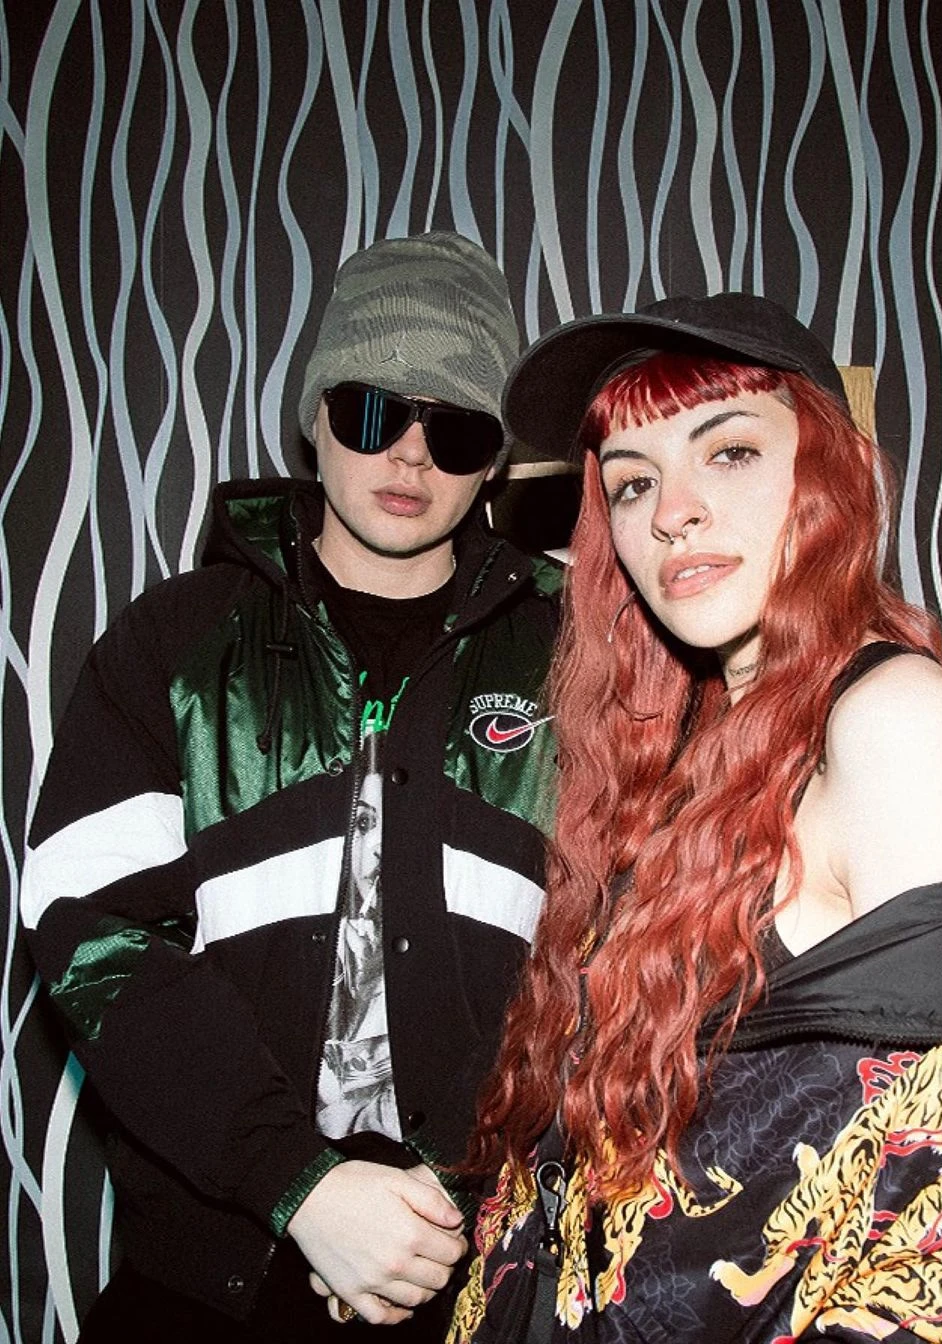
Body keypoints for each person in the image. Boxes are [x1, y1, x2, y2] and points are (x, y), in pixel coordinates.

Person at [448, 293, 942, 1343]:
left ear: (833, 474)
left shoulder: (888, 724)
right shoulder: (675, 752)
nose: (673, 512)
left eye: (730, 452)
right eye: (634, 482)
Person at [20, 232, 561, 1341]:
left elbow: (626, 943)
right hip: (210, 1274)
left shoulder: (579, 656)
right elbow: (90, 930)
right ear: (313, 416)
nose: (409, 455)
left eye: (456, 430)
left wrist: (446, 1194)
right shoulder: (174, 642)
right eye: (373, 411)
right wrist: (300, 1186)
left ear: (494, 464)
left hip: (489, 1274)